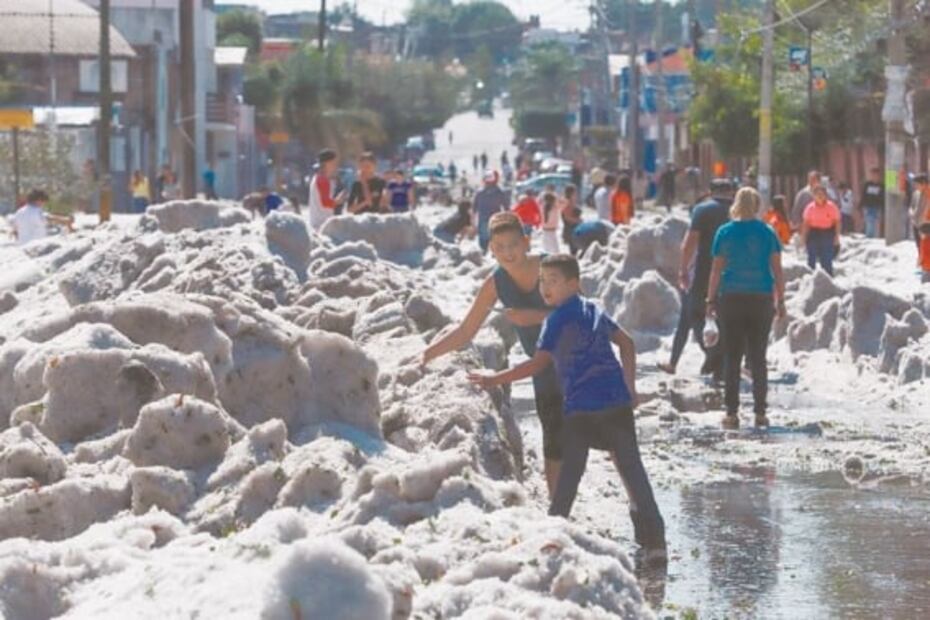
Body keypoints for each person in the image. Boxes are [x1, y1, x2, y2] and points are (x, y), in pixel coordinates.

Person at [467, 254, 666, 556]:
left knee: (570, 476)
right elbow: (626, 343)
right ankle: (655, 544)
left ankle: (552, 539)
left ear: (574, 284)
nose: (546, 288)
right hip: (616, 405)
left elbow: (537, 364)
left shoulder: (555, 320)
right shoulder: (594, 310)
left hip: (581, 411)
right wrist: (630, 386)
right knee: (633, 472)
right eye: (543, 281)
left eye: (554, 281)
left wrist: (494, 378)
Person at [422, 213, 564, 496]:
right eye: (500, 247)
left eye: (513, 245)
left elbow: (584, 314)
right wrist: (426, 354)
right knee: (554, 436)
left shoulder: (550, 266)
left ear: (526, 242)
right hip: (542, 365)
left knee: (604, 434)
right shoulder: (496, 283)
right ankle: (559, 510)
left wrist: (533, 316)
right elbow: (465, 331)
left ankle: (641, 514)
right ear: (491, 250)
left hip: (580, 358)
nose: (508, 253)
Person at [706, 187, 787, 429]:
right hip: (761, 299)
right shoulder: (767, 232)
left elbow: (716, 270)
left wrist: (710, 300)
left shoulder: (725, 232)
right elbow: (777, 270)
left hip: (731, 298)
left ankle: (731, 413)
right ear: (757, 205)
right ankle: (760, 412)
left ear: (736, 204)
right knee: (758, 357)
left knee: (733, 356)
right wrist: (781, 300)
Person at [677, 178, 735, 381]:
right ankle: (721, 359)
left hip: (705, 270)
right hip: (734, 272)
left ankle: (713, 354)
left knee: (696, 313)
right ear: (731, 192)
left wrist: (683, 269)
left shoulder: (702, 210)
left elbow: (690, 242)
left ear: (710, 191)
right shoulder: (739, 211)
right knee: (726, 316)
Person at [801, 185, 842, 276]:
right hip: (813, 233)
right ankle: (810, 277)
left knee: (826, 258)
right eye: (817, 194)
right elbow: (806, 224)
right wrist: (803, 237)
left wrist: (837, 237)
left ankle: (828, 278)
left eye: (822, 194)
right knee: (811, 257)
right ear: (813, 196)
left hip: (827, 233)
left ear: (825, 195)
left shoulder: (831, 207)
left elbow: (837, 222)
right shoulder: (810, 208)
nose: (820, 196)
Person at [9, 188, 73, 245]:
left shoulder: (19, 212)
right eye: (43, 201)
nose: (43, 204)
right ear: (39, 200)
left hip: (22, 248)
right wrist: (67, 220)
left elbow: (15, 230)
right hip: (36, 247)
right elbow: (50, 218)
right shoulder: (38, 212)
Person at [472, 170, 509, 253]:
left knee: (483, 242)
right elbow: (506, 208)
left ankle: (485, 254)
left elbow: (474, 209)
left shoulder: (479, 192)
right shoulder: (500, 192)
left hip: (484, 220)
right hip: (496, 219)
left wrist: (472, 223)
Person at [308, 149, 346, 230]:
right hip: (322, 225)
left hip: (318, 224)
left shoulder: (319, 178)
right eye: (334, 162)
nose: (336, 165)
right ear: (327, 163)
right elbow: (326, 202)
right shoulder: (323, 180)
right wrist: (338, 200)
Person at [859, 167, 885, 239]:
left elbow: (883, 198)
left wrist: (883, 208)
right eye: (873, 175)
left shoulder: (881, 186)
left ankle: (871, 237)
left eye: (876, 175)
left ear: (878, 176)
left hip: (876, 207)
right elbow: (863, 195)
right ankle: (869, 237)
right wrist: (860, 205)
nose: (874, 177)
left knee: (873, 223)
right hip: (867, 207)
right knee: (869, 222)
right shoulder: (867, 184)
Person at [908, 173, 928, 254]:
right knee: (918, 244)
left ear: (924, 183)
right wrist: (910, 213)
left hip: (925, 223)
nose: (916, 186)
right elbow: (911, 206)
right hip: (915, 222)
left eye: (917, 184)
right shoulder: (916, 193)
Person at [560, 184, 582, 255]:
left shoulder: (572, 202)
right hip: (570, 229)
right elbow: (566, 217)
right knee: (573, 251)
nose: (576, 194)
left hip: (575, 228)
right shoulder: (567, 202)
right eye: (575, 192)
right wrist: (577, 220)